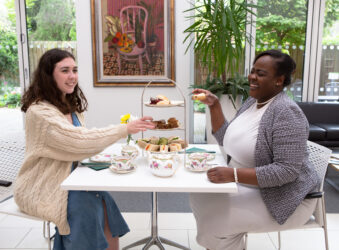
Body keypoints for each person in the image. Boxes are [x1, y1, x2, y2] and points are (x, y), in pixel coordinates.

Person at [14, 48, 155, 250]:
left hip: (73, 176)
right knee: (86, 207)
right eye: (65, 70)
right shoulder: (40, 112)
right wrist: (124, 129)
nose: (72, 76)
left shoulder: (68, 106)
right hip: (45, 183)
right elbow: (77, 142)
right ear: (48, 75)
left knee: (105, 203)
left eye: (74, 69)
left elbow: (80, 143)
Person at [190, 50, 319, 250]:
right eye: (252, 71)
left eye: (260, 73)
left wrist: (233, 174)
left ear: (279, 80)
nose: (252, 77)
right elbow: (227, 138)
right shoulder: (252, 102)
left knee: (214, 222)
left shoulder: (286, 112)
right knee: (199, 193)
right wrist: (214, 106)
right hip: (253, 186)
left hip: (285, 199)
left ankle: (221, 240)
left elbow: (287, 171)